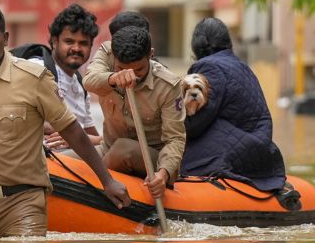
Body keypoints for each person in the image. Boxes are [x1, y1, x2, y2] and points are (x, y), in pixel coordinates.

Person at [0, 4, 129, 238]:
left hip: (23, 204)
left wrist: (107, 181)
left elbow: (71, 130)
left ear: (5, 38)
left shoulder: (33, 78)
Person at [182, 17, 288, 192]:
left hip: (235, 152)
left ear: (197, 46)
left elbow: (195, 125)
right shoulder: (242, 66)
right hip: (260, 149)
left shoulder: (208, 67)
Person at [83, 26, 185, 199]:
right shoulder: (107, 52)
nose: (132, 76)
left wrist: (163, 173)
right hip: (107, 149)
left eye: (138, 70)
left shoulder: (169, 86)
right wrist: (113, 78)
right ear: (113, 57)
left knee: (123, 148)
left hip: (151, 158)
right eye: (121, 68)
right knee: (59, 159)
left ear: (150, 54)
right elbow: (89, 81)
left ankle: (96, 188)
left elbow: (175, 139)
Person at [20, 4, 103, 152]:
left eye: (83, 43)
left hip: (74, 165)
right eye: (69, 41)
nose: (76, 48)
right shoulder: (37, 69)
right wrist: (69, 133)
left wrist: (78, 137)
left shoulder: (80, 85)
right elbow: (15, 115)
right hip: (40, 163)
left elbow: (94, 137)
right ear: (54, 41)